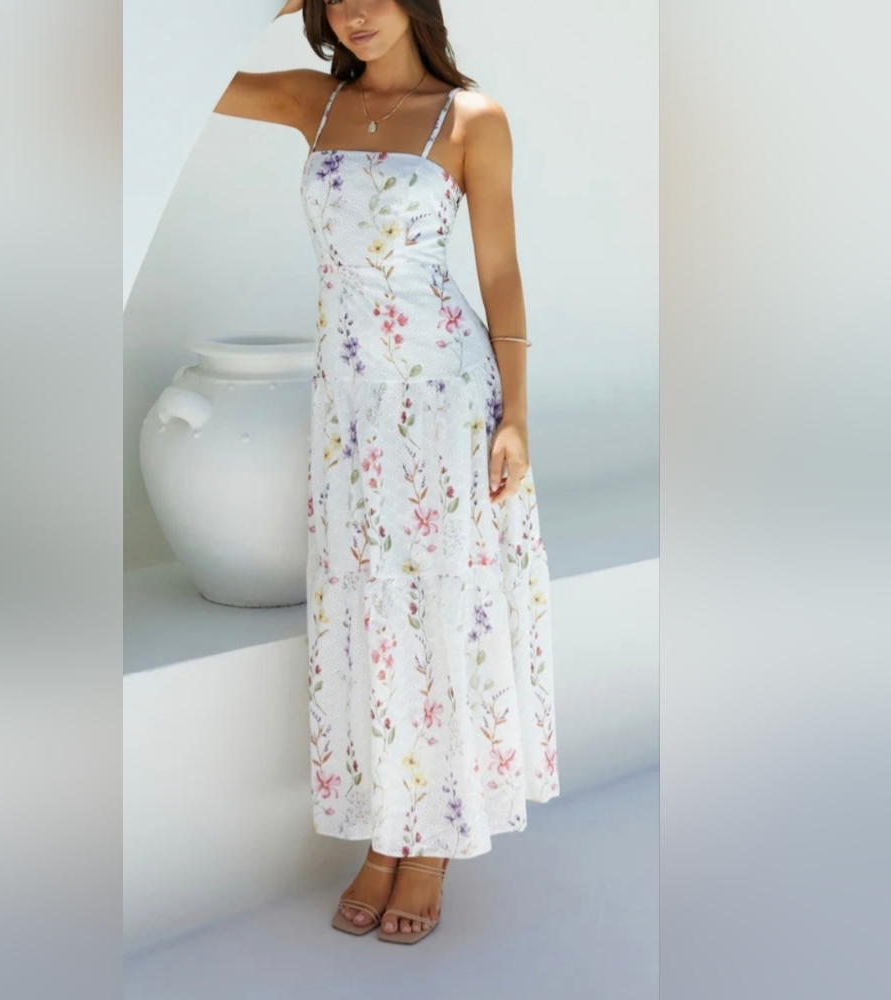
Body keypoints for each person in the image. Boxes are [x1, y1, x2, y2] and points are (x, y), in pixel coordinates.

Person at [214, 0, 559, 945]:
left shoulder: (471, 116)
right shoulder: (310, 101)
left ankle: (430, 844)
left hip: (445, 396)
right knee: (369, 614)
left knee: (438, 608)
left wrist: (517, 417)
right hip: (350, 410)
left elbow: (500, 273)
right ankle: (383, 834)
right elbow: (167, 82)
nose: (355, 11)